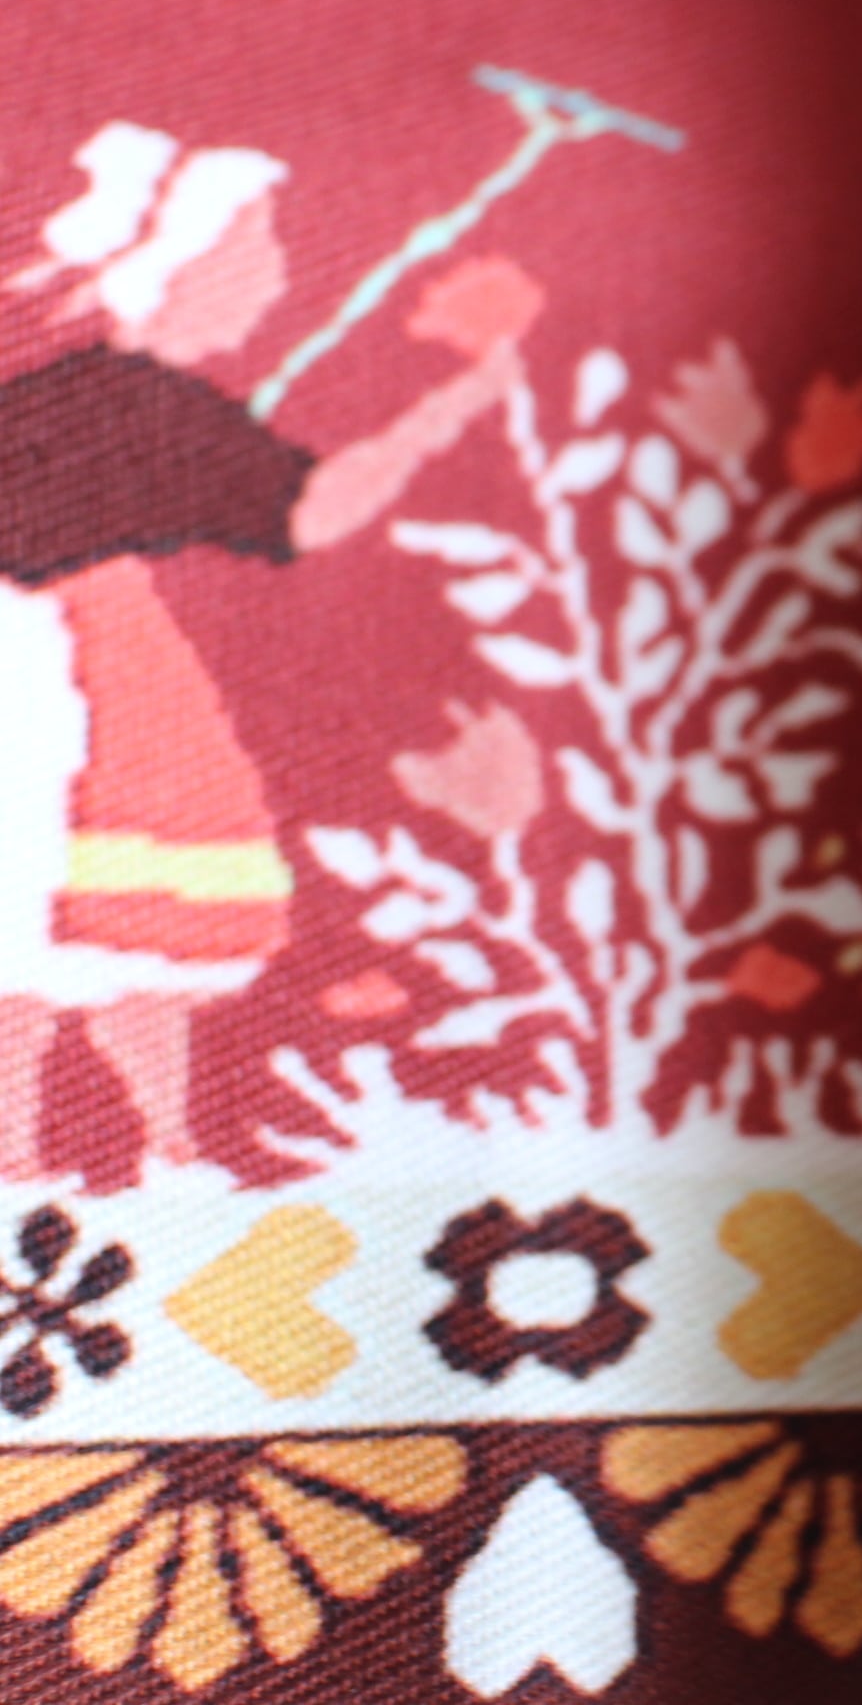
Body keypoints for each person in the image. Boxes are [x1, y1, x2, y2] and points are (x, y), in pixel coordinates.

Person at [0, 119, 532, 1174]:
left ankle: (150, 1143)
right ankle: (37, 1153)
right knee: (48, 908)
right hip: (56, 671)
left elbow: (297, 507)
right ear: (184, 268)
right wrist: (452, 402)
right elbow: (314, 510)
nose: (275, 279)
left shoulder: (144, 402)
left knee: (115, 922)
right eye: (257, 253)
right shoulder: (123, 402)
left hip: (99, 654)